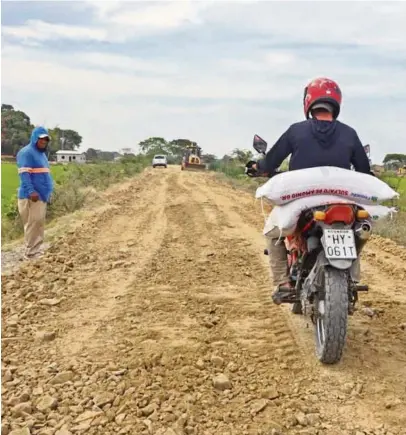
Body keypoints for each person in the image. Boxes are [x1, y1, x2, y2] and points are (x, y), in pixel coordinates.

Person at [246, 77, 371, 305]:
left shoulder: (296, 131)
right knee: (357, 229)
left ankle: (283, 284)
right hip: (340, 201)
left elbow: (270, 162)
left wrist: (258, 168)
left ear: (308, 102)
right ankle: (352, 279)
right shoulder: (350, 133)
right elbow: (364, 170)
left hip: (302, 201)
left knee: (273, 233)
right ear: (336, 103)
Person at [16, 126, 54, 260]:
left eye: (46, 140)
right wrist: (31, 191)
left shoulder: (42, 154)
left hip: (41, 196)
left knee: (38, 223)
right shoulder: (26, 152)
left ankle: (35, 250)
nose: (44, 142)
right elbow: (24, 174)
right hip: (31, 196)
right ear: (35, 138)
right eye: (41, 139)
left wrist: (48, 192)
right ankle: (31, 253)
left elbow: (44, 175)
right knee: (33, 223)